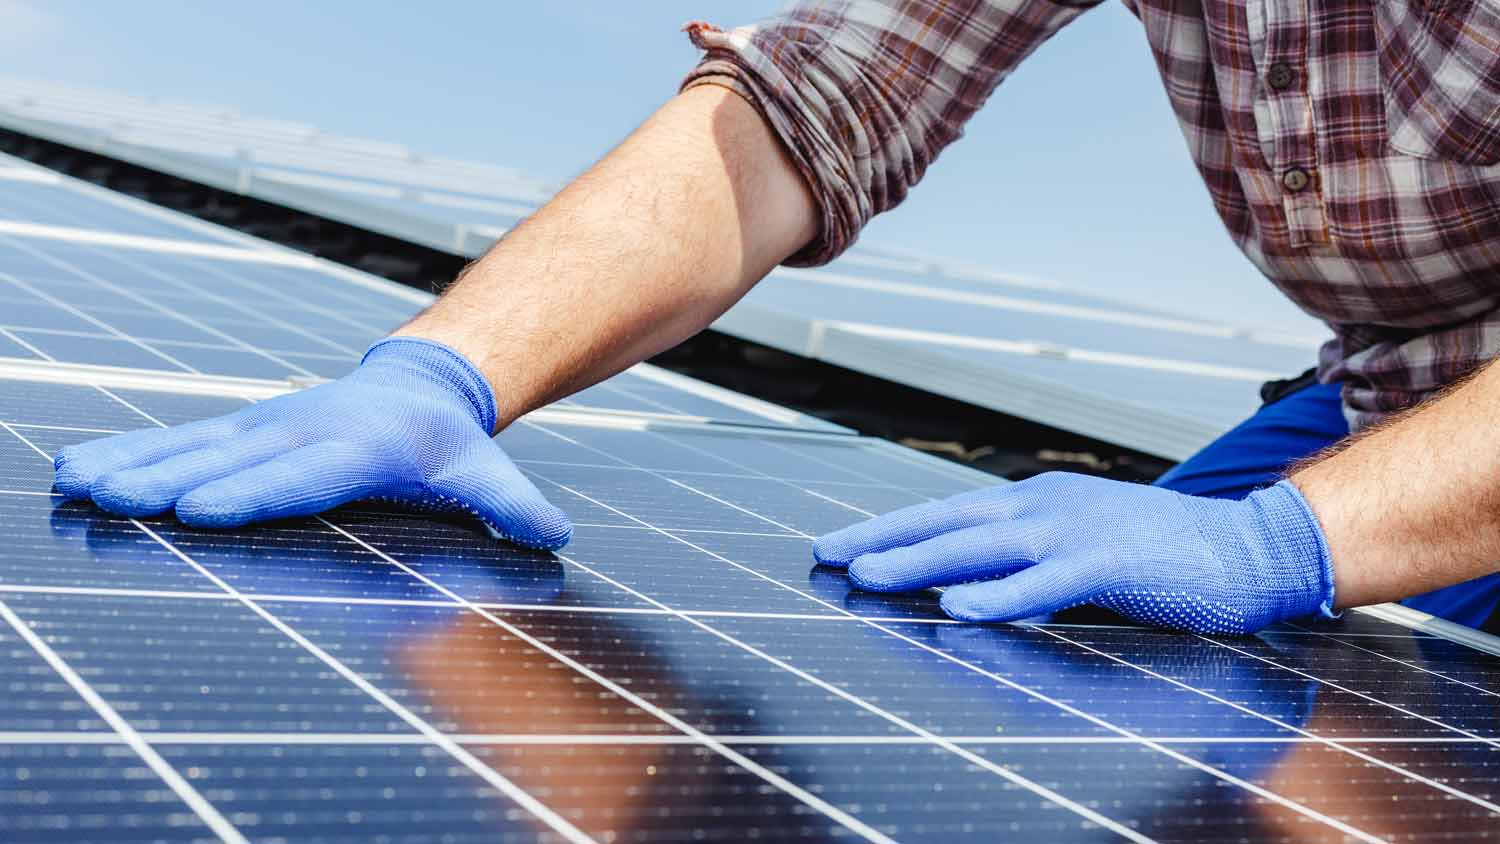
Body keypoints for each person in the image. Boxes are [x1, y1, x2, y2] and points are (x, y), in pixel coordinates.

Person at [52, 1, 1500, 635]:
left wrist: (1277, 539)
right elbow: (811, 110)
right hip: (1375, 383)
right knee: (1092, 662)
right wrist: (442, 370)